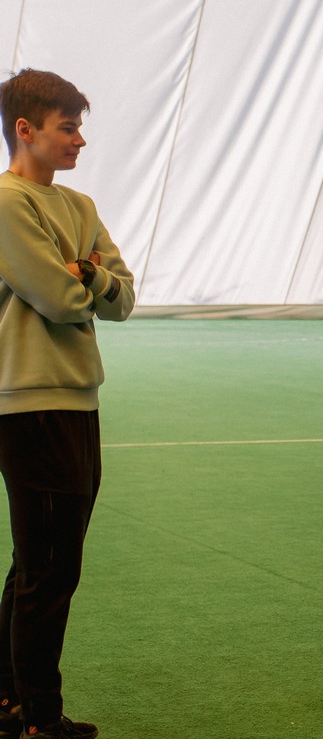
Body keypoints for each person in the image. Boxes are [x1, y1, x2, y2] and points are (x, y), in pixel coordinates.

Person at [0, 69, 136, 739]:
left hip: (77, 399)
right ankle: (39, 717)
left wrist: (90, 274)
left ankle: (8, 703)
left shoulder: (79, 205)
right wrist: (87, 277)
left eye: (80, 127)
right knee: (50, 568)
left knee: (40, 562)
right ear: (25, 130)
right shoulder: (7, 203)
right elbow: (58, 297)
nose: (80, 140)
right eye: (68, 128)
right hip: (28, 404)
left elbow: (125, 296)